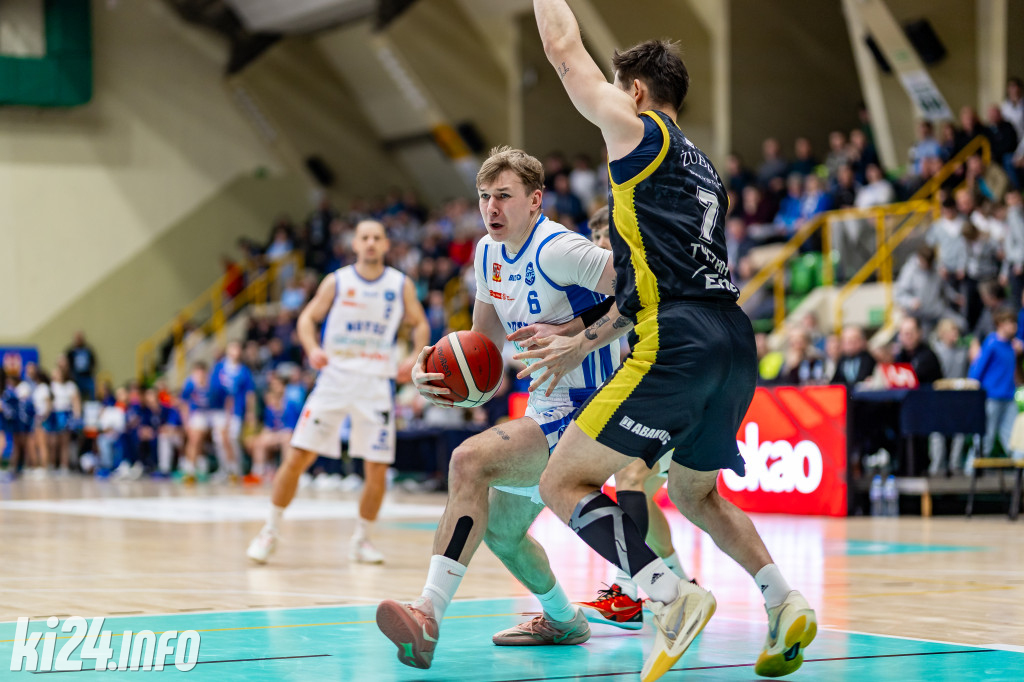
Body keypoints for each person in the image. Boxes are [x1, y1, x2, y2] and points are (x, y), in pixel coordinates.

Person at [529, 5, 815, 680]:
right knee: (696, 494)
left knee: (561, 481)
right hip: (732, 338)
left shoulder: (636, 131)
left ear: (634, 92)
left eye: (615, 88)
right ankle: (784, 600)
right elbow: (644, 284)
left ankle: (668, 595)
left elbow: (563, 46)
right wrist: (581, 344)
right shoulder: (704, 168)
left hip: (677, 337)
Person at [376, 147, 621, 669]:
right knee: (502, 532)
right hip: (546, 406)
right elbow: (483, 354)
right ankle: (564, 619)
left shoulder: (559, 248)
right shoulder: (487, 253)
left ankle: (427, 614)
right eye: (485, 196)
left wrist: (576, 335)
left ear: (535, 200)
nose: (492, 206)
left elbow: (646, 287)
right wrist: (437, 376)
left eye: (504, 196)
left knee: (468, 460)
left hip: (591, 406)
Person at [247, 220, 429, 566]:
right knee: (297, 457)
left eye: (377, 237)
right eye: (365, 237)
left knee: (377, 469)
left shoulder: (400, 284)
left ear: (386, 244)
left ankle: (362, 539)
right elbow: (306, 319)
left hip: (376, 383)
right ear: (355, 244)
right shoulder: (337, 281)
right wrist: (312, 348)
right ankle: (269, 530)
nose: (371, 242)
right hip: (334, 379)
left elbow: (420, 323)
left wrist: (413, 357)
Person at [969, 308, 1023, 459]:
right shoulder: (991, 343)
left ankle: (1020, 468)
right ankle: (971, 469)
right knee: (985, 439)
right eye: (1010, 323)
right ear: (1000, 324)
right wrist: (973, 392)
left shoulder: (1012, 346)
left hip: (1008, 397)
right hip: (991, 397)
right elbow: (977, 370)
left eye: (1015, 323)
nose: (1014, 327)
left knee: (1015, 439)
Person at [209, 341, 256, 482]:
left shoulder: (244, 371)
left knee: (232, 438)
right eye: (233, 347)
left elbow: (250, 393)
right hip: (220, 409)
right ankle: (224, 468)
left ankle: (236, 468)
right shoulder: (219, 367)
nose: (235, 351)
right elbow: (213, 388)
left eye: (238, 348)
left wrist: (250, 412)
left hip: (236, 409)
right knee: (219, 439)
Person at [179, 362, 213, 483]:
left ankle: (195, 464)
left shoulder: (211, 384)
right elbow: (183, 404)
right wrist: (186, 421)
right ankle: (190, 468)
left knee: (199, 441)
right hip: (196, 414)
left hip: (210, 414)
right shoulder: (190, 384)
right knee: (194, 439)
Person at [65, 332, 96, 400]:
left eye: (80, 338)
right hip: (76, 377)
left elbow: (93, 361)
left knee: (92, 387)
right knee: (76, 391)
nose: (78, 340)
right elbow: (68, 362)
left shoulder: (87, 350)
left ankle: (93, 402)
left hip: (87, 376)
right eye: (77, 338)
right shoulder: (71, 351)